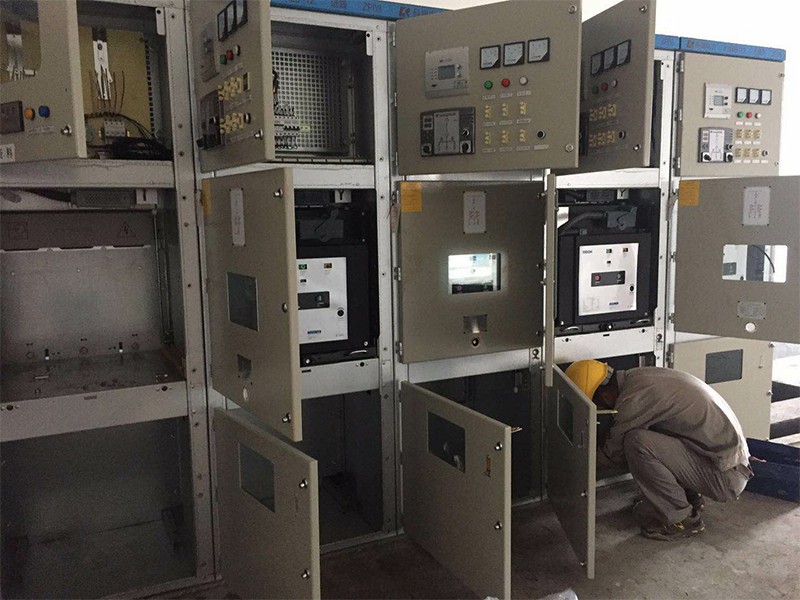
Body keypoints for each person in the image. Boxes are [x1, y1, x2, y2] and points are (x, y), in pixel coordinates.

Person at [565, 360, 754, 541]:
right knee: (652, 431)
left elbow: (613, 454)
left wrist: (573, 464)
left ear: (605, 396)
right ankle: (690, 498)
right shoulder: (638, 377)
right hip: (727, 462)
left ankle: (680, 519)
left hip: (725, 478)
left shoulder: (633, 399)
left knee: (636, 442)